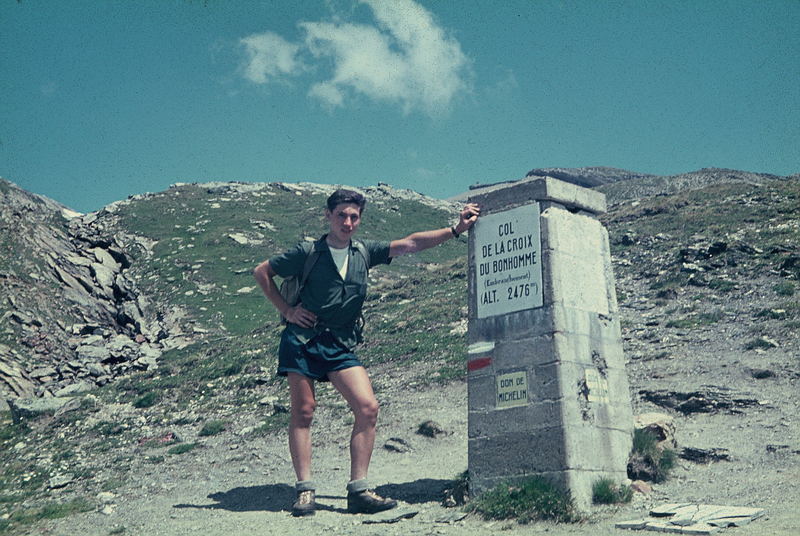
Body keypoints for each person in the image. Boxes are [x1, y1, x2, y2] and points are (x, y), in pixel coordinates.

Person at [253, 189, 479, 516]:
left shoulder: (364, 252)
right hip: (302, 340)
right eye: (341, 215)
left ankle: (358, 490)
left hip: (340, 344)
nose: (347, 222)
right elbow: (262, 272)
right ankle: (305, 490)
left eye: (354, 216)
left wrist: (456, 230)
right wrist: (287, 312)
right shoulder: (308, 251)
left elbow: (411, 243)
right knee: (304, 411)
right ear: (328, 216)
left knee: (368, 407)